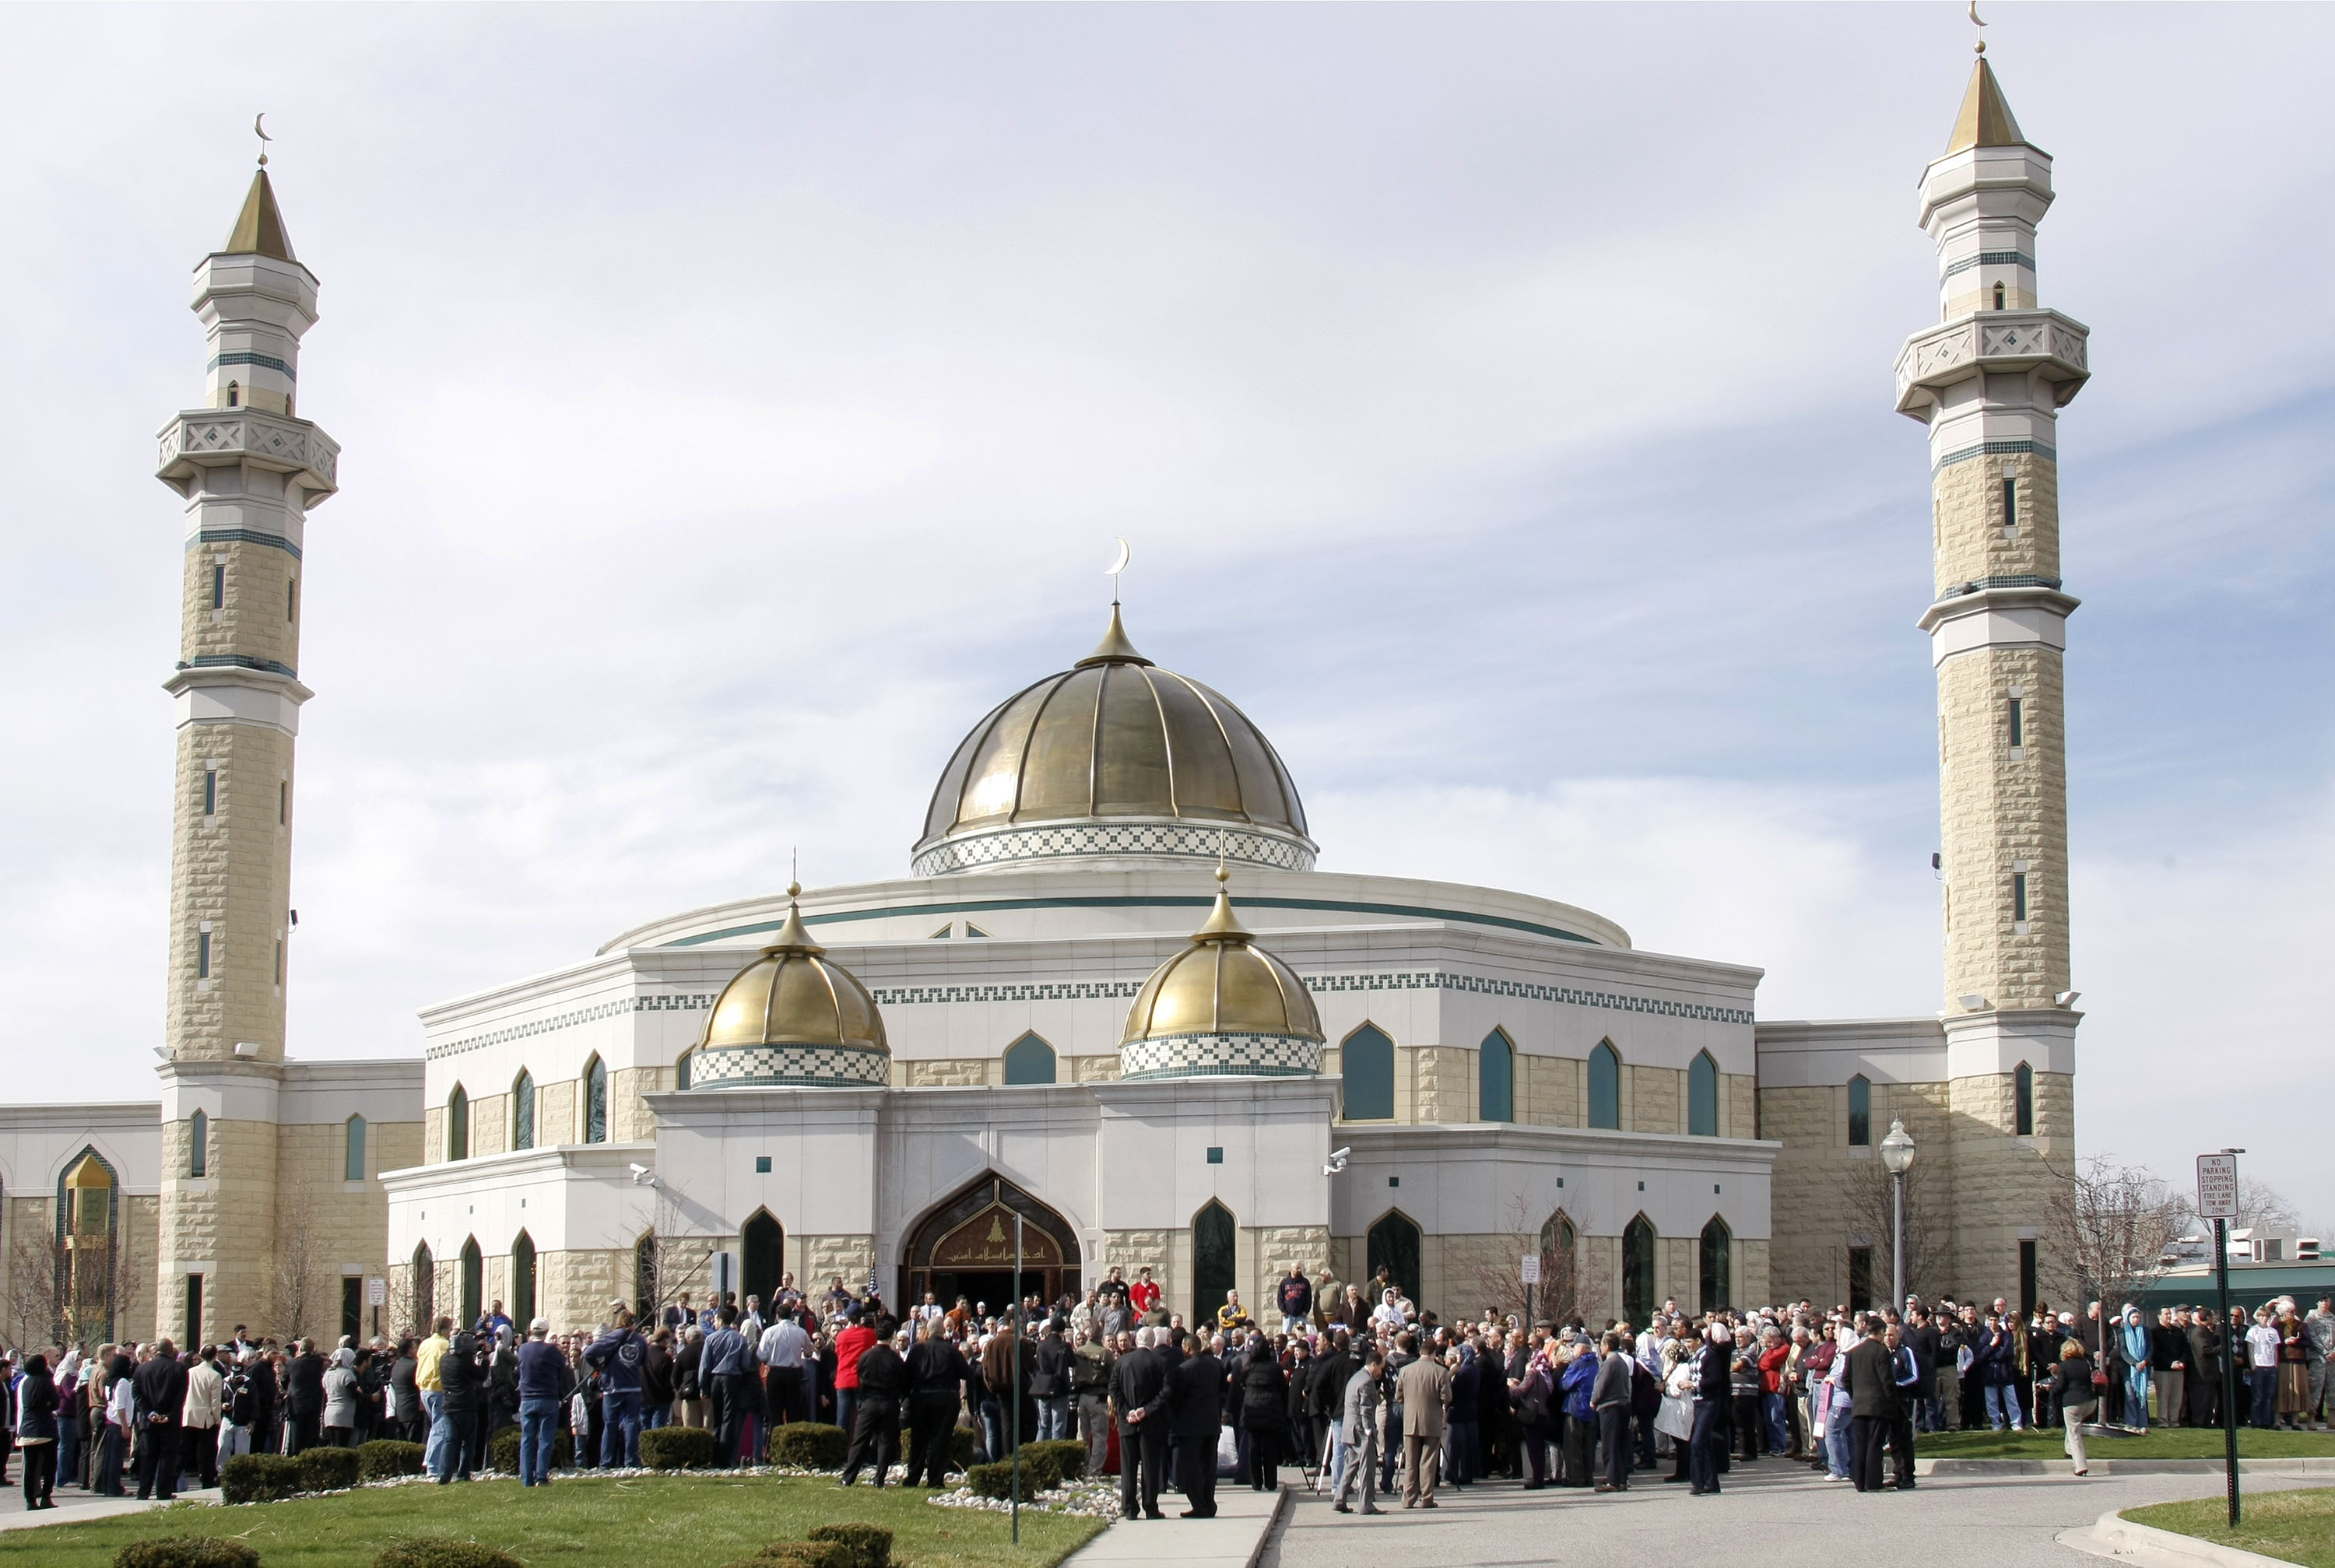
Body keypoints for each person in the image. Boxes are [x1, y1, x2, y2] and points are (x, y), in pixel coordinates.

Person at [904, 1318, 974, 1488]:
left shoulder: (917, 1350)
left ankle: (913, 1477)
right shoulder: (951, 1350)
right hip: (946, 1398)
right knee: (941, 1440)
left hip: (921, 1398)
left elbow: (906, 1376)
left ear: (928, 1331)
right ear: (943, 1332)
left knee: (919, 1440)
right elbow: (966, 1373)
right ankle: (935, 1480)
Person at [1108, 1328, 1169, 1521]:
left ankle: (1129, 1508)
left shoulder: (1122, 1362)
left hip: (1128, 1423)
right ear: (1152, 1343)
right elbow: (1166, 1392)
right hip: (1151, 1423)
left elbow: (1113, 1388)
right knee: (1150, 1467)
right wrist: (1147, 1410)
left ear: (1135, 1340)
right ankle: (1150, 1507)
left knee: (1128, 1467)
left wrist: (1126, 1411)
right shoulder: (1160, 1362)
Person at [1839, 1319, 1900, 1494]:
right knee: (1874, 1444)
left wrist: (1855, 1395)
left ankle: (1859, 1481)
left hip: (1859, 1405)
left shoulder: (1853, 1352)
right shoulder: (1881, 1352)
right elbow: (1887, 1380)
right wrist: (1892, 1402)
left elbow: (1845, 1380)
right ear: (1881, 1332)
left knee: (1860, 1444)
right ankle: (1873, 1483)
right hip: (1878, 1405)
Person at [1169, 1331, 1227, 1517]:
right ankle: (1209, 1502)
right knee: (1209, 1467)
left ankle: (1199, 1504)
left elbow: (1176, 1398)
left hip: (1191, 1426)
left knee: (1191, 1468)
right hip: (1211, 1422)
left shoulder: (1184, 1369)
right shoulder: (1215, 1365)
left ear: (1187, 1348)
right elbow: (1224, 1390)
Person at [839, 1328, 905, 1487]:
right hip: (889, 1401)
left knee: (860, 1439)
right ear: (891, 1337)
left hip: (869, 1401)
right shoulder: (895, 1358)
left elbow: (860, 1376)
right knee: (885, 1441)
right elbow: (903, 1380)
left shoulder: (866, 1356)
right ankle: (880, 1478)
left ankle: (848, 1477)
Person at [585, 1310, 648, 1468]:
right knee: (632, 1423)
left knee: (610, 1425)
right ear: (632, 1323)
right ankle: (631, 1461)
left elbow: (589, 1353)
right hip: (633, 1386)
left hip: (613, 1387)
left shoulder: (612, 1337)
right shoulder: (640, 1340)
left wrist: (599, 1366)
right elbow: (644, 1362)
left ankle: (606, 1462)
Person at [1395, 1331, 1450, 1509]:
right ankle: (1426, 1498)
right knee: (1428, 1462)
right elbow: (1447, 1397)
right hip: (1432, 1420)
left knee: (1411, 1462)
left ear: (1420, 1352)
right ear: (1435, 1353)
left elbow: (1399, 1396)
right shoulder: (1440, 1372)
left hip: (1410, 1420)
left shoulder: (1405, 1371)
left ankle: (1408, 1498)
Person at [133, 1339, 189, 1501]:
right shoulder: (180, 1369)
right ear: (171, 1351)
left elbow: (136, 1394)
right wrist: (169, 1415)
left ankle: (143, 1491)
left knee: (147, 1456)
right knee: (167, 1456)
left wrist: (149, 1413)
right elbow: (180, 1396)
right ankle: (163, 1491)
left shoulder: (142, 1369)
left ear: (156, 1351)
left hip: (148, 1421)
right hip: (170, 1422)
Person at [516, 1318, 568, 1488]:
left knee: (527, 1439)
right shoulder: (552, 1351)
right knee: (546, 1439)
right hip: (548, 1398)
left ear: (531, 1331)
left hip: (527, 1399)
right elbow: (563, 1368)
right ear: (546, 1332)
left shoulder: (523, 1349)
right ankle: (541, 1477)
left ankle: (526, 1479)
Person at [1333, 1347, 1386, 1515]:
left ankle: (1339, 1499)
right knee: (1367, 1468)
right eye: (1380, 1368)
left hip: (1349, 1428)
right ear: (1374, 1365)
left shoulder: (1355, 1378)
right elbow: (1366, 1408)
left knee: (1351, 1465)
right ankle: (1366, 1504)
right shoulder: (1367, 1382)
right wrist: (1369, 1430)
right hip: (1361, 1430)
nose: (1381, 1372)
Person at [1238, 1331, 1288, 1492]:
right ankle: (1271, 1482)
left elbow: (1242, 1385)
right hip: (1270, 1410)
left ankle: (1256, 1482)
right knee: (1269, 1448)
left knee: (1253, 1447)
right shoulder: (1275, 1368)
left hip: (1252, 1411)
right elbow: (1282, 1387)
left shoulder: (1248, 1368)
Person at [434, 1324, 481, 1483]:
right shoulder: (464, 1361)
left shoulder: (444, 1359)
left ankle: (444, 1474)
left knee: (450, 1440)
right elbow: (481, 1375)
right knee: (468, 1441)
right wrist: (485, 1359)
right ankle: (463, 1473)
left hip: (449, 1404)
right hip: (465, 1405)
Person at [1690, 1322, 1730, 1496]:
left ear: (1698, 1340)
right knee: (1704, 1442)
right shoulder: (1695, 1356)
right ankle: (1711, 1482)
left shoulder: (1709, 1355)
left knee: (1698, 1442)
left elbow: (1715, 1379)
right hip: (1698, 1402)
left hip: (1709, 1402)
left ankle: (1698, 1482)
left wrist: (1693, 1384)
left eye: (1689, 1342)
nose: (1687, 1345)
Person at [14, 1353, 58, 1510]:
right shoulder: (46, 1381)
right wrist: (46, 1404)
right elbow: (55, 1403)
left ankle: (30, 1500)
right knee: (50, 1465)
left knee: (30, 1468)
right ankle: (46, 1496)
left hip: (26, 1429)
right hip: (45, 1429)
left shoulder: (24, 1383)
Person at [1592, 1331, 1634, 1492]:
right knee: (1620, 1444)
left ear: (1607, 1346)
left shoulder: (1609, 1363)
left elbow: (1600, 1386)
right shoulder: (1622, 1361)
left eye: (1602, 1345)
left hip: (1610, 1406)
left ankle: (1613, 1480)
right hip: (1624, 1404)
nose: (1600, 1348)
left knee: (1610, 1445)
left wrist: (1594, 1400)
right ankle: (1621, 1478)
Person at [2049, 1336, 2098, 1475]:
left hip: (2072, 1402)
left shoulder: (2064, 1366)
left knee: (2074, 1432)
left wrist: (2050, 1388)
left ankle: (2080, 1465)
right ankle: (2068, 1449)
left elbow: (2060, 1386)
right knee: (2073, 1426)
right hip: (2090, 1402)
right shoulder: (2086, 1363)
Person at [181, 1344, 225, 1486]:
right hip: (207, 1418)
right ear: (215, 1357)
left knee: (186, 1448)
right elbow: (215, 1402)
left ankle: (176, 1478)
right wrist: (218, 1419)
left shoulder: (191, 1372)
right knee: (207, 1452)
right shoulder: (215, 1375)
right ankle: (207, 1480)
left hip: (189, 1414)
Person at [321, 1348, 363, 1450]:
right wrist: (359, 1392)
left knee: (333, 1445)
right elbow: (352, 1394)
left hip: (329, 1413)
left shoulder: (328, 1374)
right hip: (343, 1414)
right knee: (342, 1446)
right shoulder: (347, 1374)